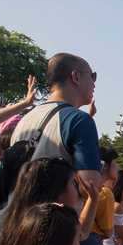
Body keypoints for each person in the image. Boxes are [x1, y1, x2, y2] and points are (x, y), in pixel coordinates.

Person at [11, 53, 101, 193]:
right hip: (50, 213)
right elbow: (89, 186)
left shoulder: (24, 119)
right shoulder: (79, 120)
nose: (94, 83)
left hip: (11, 212)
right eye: (92, 76)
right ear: (76, 77)